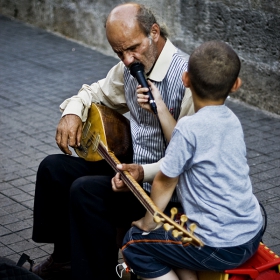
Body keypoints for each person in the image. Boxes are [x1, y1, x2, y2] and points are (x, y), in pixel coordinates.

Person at [31, 3, 194, 280]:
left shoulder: (188, 76)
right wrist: (72, 112)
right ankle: (64, 259)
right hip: (132, 173)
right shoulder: (129, 68)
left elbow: (191, 155)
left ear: (154, 32)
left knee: (86, 191)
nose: (127, 59)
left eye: (133, 48)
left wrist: (143, 170)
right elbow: (94, 93)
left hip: (165, 192)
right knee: (53, 169)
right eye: (119, 52)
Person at [120, 41, 263, 280]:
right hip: (251, 232)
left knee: (134, 245)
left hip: (218, 247)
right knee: (176, 225)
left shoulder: (189, 128)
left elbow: (164, 182)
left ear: (185, 79)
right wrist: (160, 108)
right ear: (236, 85)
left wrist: (147, 224)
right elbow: (183, 141)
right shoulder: (232, 120)